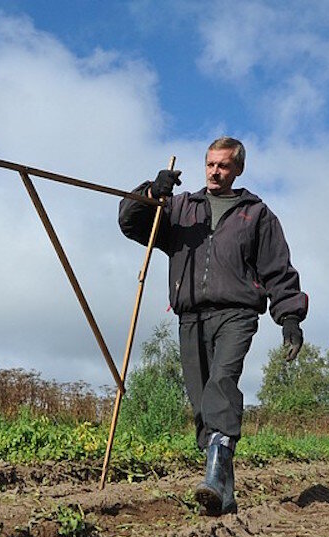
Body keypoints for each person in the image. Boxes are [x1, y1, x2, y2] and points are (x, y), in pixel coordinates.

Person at [118, 137, 308, 515]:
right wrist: (152, 191)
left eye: (223, 165)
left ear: (238, 169)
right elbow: (130, 221)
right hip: (190, 315)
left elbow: (277, 270)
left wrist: (290, 319)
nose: (215, 171)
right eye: (209, 164)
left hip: (237, 314)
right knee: (201, 401)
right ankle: (223, 488)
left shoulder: (256, 214)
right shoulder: (180, 209)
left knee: (222, 382)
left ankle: (216, 478)